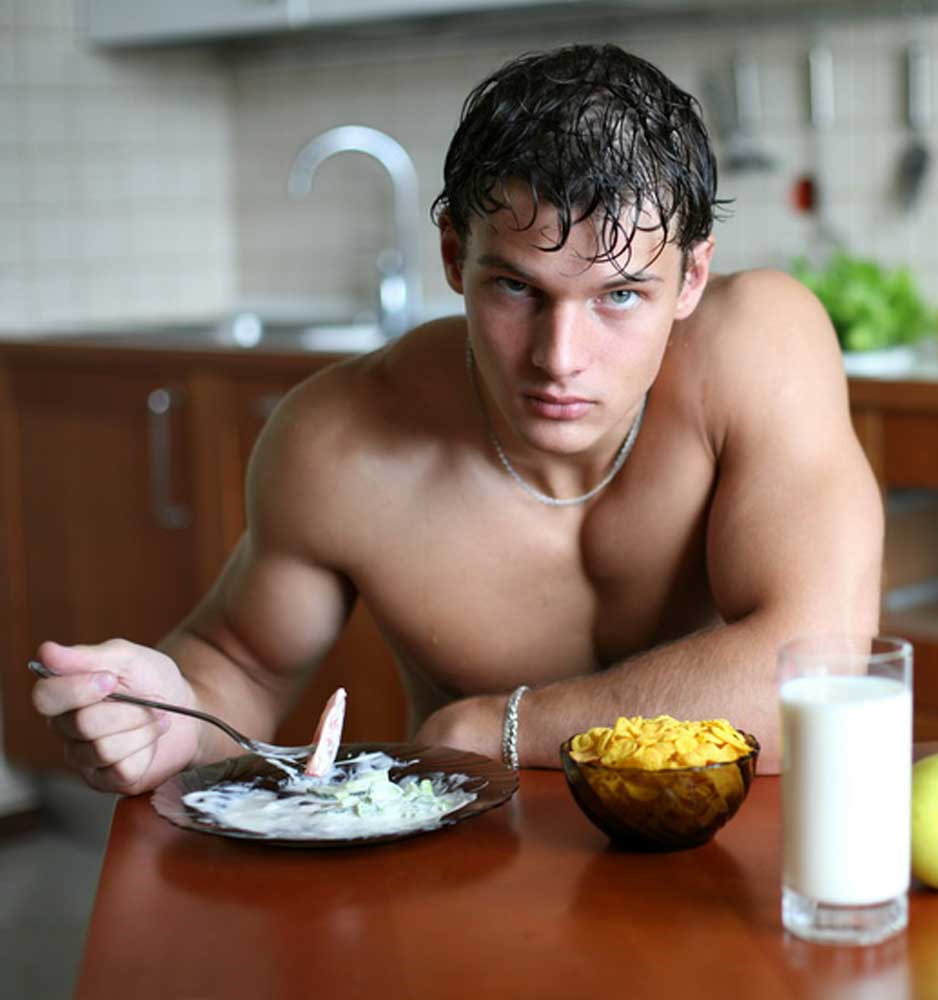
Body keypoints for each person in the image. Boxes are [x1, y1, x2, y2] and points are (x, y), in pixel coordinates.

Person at [30, 43, 882, 794]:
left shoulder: (758, 344)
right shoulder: (341, 437)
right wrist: (168, 719)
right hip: (477, 871)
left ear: (691, 278)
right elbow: (241, 664)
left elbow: (822, 675)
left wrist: (496, 726)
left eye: (620, 296)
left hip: (721, 860)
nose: (560, 357)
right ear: (452, 254)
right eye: (516, 287)